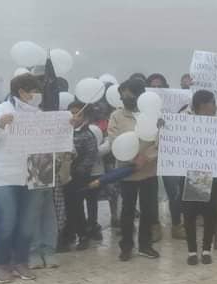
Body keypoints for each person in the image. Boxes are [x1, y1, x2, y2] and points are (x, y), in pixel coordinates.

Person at [0, 73, 46, 283]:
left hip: (33, 174)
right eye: (35, 91)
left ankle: (21, 261)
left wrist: (65, 127)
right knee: (6, 222)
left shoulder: (40, 114)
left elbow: (50, 142)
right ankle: (2, 265)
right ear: (22, 92)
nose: (38, 96)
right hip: (2, 177)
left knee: (27, 223)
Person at [108, 78, 161, 261]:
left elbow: (160, 140)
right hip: (126, 171)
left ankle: (146, 245)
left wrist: (145, 158)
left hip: (148, 170)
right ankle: (126, 246)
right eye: (122, 95)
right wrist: (131, 159)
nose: (125, 98)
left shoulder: (153, 114)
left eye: (129, 95)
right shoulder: (116, 116)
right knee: (127, 211)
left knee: (149, 210)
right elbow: (114, 140)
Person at [180, 90, 217, 266]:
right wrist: (163, 127)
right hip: (191, 173)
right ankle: (192, 251)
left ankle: (206, 250)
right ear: (202, 105)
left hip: (212, 172)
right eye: (212, 103)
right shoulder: (184, 119)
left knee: (210, 213)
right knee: (190, 214)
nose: (215, 106)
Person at [147, 72, 185, 241]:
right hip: (150, 154)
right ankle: (155, 226)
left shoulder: (177, 107)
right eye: (153, 87)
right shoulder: (144, 108)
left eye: (159, 86)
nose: (156, 90)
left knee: (174, 192)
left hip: (171, 154)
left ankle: (177, 224)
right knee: (152, 192)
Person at [64, 101, 101, 251]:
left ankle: (83, 234)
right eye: (71, 113)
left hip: (79, 176)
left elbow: (91, 155)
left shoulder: (87, 134)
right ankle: (68, 234)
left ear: (84, 116)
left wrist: (79, 170)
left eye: (78, 113)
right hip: (64, 175)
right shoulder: (64, 131)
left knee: (77, 206)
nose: (74, 116)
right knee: (67, 207)